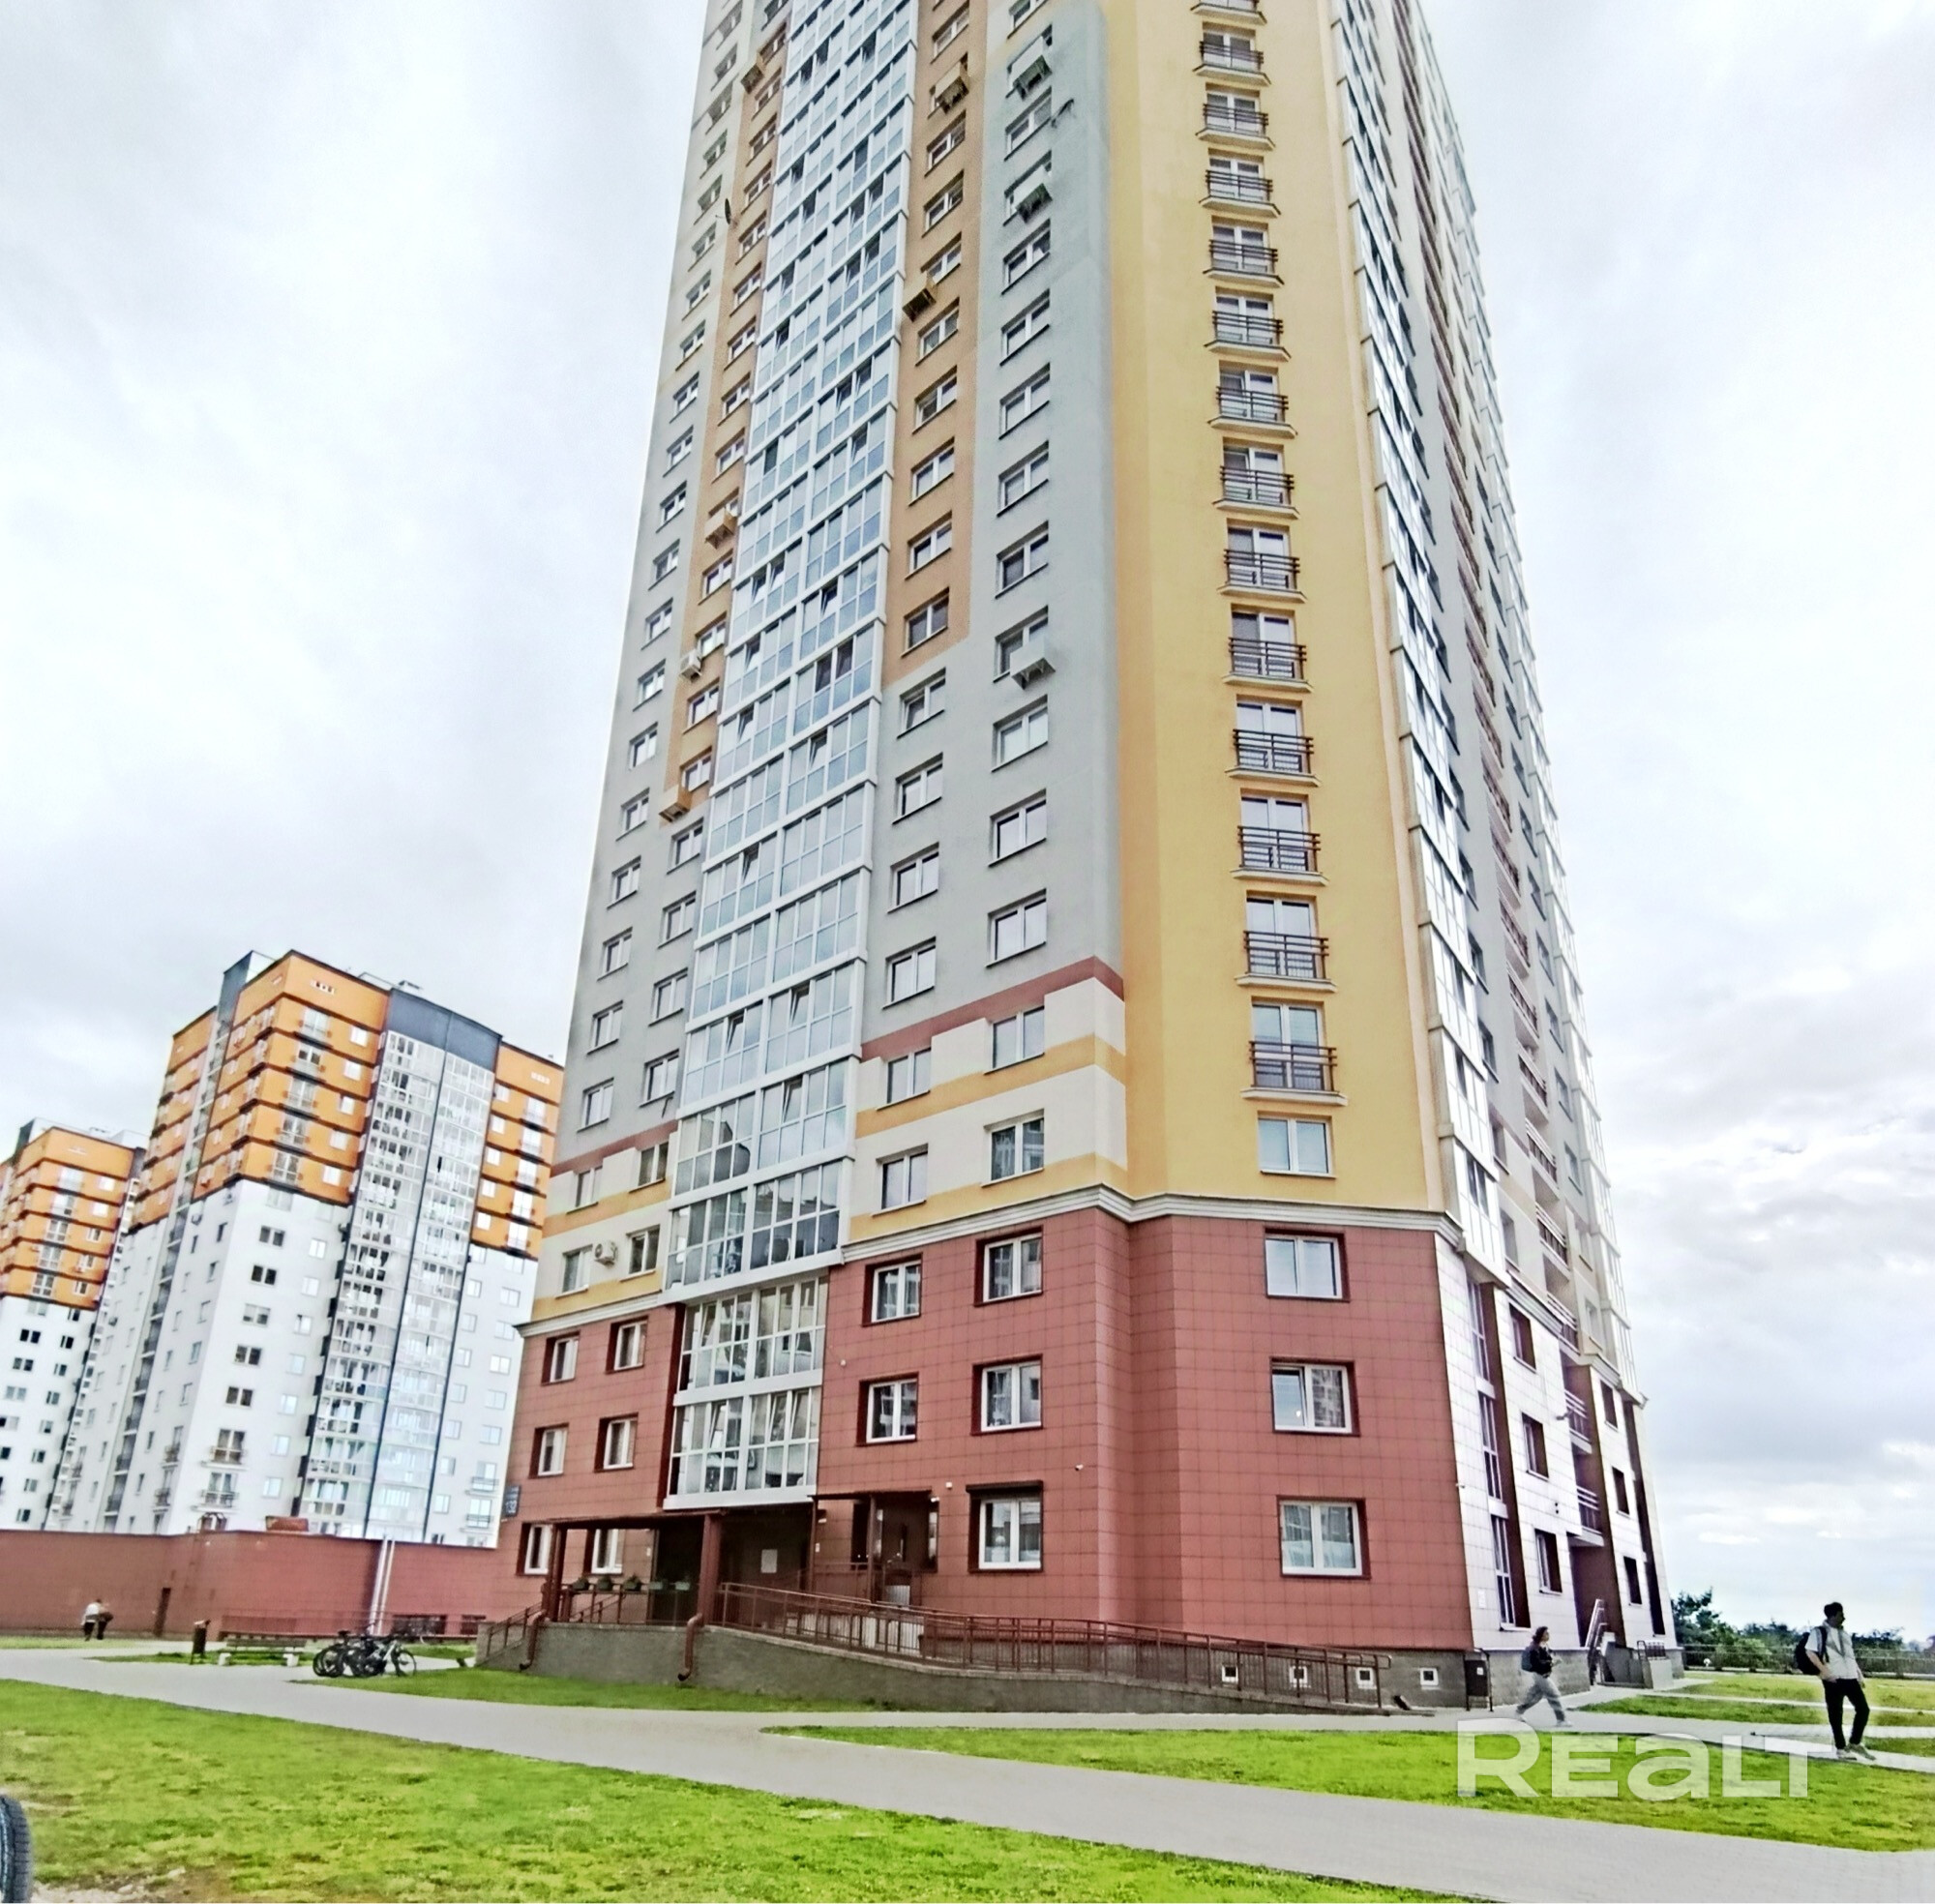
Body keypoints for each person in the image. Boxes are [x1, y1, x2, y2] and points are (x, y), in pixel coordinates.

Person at [1805, 1601, 1871, 1759]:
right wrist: (1824, 1671)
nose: (1844, 1618)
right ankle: (1841, 1748)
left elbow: (1850, 1656)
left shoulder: (1844, 1634)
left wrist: (1859, 1674)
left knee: (1863, 1709)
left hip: (1850, 1677)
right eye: (1841, 1615)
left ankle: (1855, 1742)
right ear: (1832, 1615)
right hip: (1833, 1678)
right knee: (1836, 1715)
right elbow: (1810, 1652)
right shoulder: (1819, 1632)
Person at [1513, 1624, 1568, 1725]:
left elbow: (1544, 1660)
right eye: (1546, 1633)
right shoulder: (1534, 1648)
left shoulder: (1543, 1646)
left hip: (1542, 1674)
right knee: (1553, 1695)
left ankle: (1519, 1711)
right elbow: (1537, 1664)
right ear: (1541, 1635)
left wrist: (1551, 1661)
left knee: (1534, 1696)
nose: (1548, 1635)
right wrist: (1552, 1663)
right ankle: (1561, 1720)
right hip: (1540, 1675)